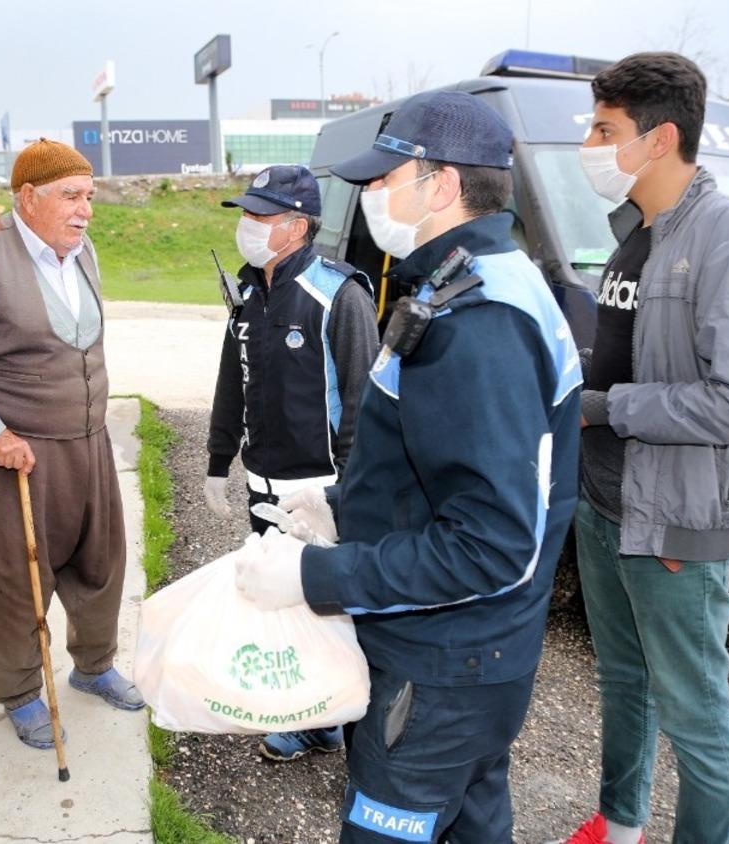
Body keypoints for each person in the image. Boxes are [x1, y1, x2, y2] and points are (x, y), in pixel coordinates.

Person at [234, 91, 583, 842]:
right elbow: (442, 462)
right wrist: (341, 503)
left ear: (443, 184)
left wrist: (311, 577)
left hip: (443, 670)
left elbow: (490, 545)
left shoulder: (481, 319)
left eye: (384, 180)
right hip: (470, 661)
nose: (366, 199)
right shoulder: (476, 279)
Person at [557, 53, 729, 844]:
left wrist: (604, 408)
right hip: (606, 507)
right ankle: (620, 828)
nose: (589, 143)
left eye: (603, 129)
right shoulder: (636, 233)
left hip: (675, 522)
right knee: (625, 684)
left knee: (695, 718)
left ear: (659, 138)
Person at [0, 139, 141, 752]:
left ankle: (93, 668)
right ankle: (21, 695)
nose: (85, 210)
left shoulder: (81, 251)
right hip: (14, 454)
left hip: (87, 443)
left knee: (100, 562)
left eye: (88, 196)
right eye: (71, 196)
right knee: (11, 580)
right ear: (28, 197)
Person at [206, 164, 379, 762]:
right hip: (264, 482)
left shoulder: (340, 295)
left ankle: (361, 735)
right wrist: (217, 458)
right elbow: (235, 379)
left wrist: (352, 495)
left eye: (262, 216)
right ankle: (313, 717)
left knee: (337, 607)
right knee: (283, 603)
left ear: (298, 227)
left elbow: (365, 401)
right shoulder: (250, 291)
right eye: (246, 215)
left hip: (323, 489)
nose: (248, 227)